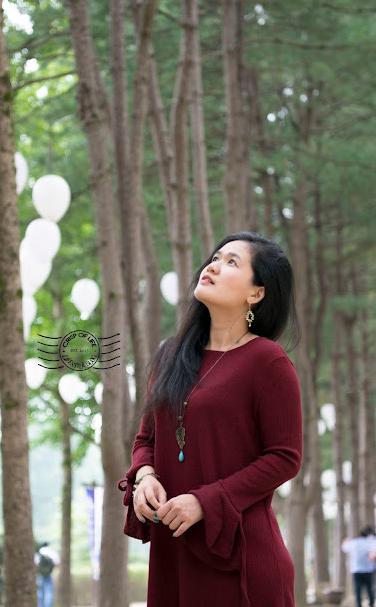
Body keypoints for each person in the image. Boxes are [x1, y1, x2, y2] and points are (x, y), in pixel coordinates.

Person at [118, 232, 303, 607]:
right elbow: (146, 440)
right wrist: (144, 477)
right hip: (173, 552)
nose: (214, 266)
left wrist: (206, 501)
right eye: (215, 258)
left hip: (240, 558)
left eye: (232, 262)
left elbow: (285, 457)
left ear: (257, 293)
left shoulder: (268, 362)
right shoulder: (170, 355)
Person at [342, 526, 376, 607]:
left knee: (358, 589)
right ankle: (371, 603)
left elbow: (344, 547)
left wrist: (345, 540)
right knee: (369, 588)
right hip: (368, 569)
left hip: (356, 569)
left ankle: (359, 604)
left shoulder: (354, 542)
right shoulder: (371, 543)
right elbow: (373, 556)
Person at [34, 542, 60, 607]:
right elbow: (57, 564)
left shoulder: (39, 553)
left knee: (40, 593)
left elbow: (35, 564)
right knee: (49, 592)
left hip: (39, 576)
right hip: (49, 575)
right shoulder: (52, 552)